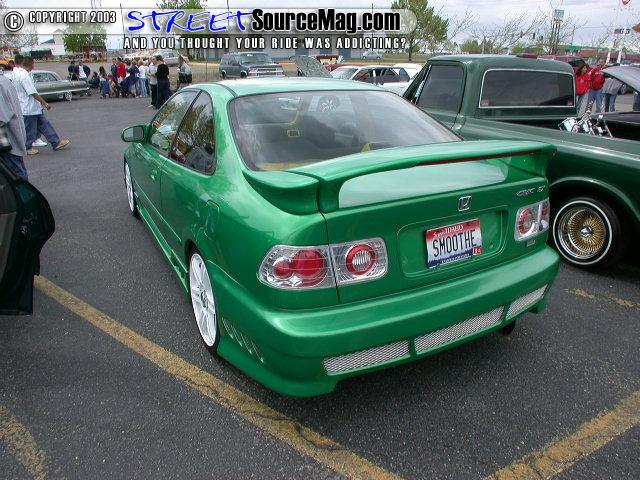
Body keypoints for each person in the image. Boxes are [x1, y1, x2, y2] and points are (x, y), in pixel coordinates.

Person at [12, 55, 70, 155]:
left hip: (31, 107)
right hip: (29, 108)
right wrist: (44, 103)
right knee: (30, 129)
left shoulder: (17, 73)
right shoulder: (24, 76)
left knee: (45, 125)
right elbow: (33, 92)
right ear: (30, 65)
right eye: (33, 64)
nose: (33, 67)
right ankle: (27, 147)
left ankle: (56, 142)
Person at [0, 73, 28, 179]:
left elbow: (2, 117)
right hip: (10, 139)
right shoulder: (3, 80)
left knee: (14, 178)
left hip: (7, 142)